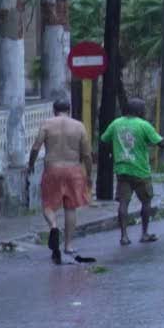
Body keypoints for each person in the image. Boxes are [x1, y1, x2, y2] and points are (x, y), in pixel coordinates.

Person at [28, 97, 97, 265]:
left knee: (48, 205)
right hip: (73, 170)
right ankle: (68, 246)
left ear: (54, 110)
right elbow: (87, 155)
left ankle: (53, 226)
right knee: (70, 207)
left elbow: (36, 147)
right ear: (69, 110)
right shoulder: (79, 126)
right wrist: (89, 174)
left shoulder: (47, 124)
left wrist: (31, 164)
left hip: (53, 168)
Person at [101, 98, 164, 246]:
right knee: (146, 201)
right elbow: (162, 143)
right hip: (141, 171)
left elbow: (104, 140)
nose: (145, 112)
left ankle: (124, 236)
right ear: (139, 111)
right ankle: (144, 234)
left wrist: (113, 152)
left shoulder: (116, 123)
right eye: (143, 109)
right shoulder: (144, 125)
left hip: (122, 170)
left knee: (123, 203)